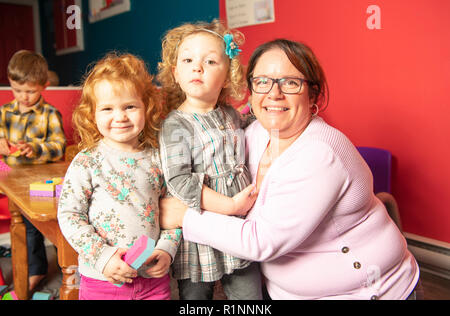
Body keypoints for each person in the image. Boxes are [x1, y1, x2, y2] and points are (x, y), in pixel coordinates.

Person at [160, 39, 421, 300]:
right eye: (263, 81)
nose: (274, 94)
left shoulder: (320, 152)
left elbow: (261, 241)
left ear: (313, 95)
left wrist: (184, 216)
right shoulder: (253, 134)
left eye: (290, 82)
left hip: (365, 292)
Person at [57, 53, 181, 300]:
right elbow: (70, 215)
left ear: (147, 107)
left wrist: (167, 250)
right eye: (107, 108)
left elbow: (174, 213)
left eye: (130, 106)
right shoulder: (87, 161)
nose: (120, 116)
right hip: (102, 278)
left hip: (152, 280)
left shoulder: (159, 159)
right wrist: (103, 257)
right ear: (92, 114)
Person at [156, 20, 261, 300]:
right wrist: (228, 205)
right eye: (188, 60)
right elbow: (178, 180)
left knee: (249, 294)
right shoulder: (176, 125)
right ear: (176, 72)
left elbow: (249, 124)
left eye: (211, 61)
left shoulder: (229, 114)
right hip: (200, 227)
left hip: (239, 224)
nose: (197, 67)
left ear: (228, 76)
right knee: (195, 296)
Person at [0, 50, 66, 291]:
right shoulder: (5, 112)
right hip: (16, 182)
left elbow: (58, 147)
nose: (23, 97)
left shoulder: (50, 114)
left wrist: (36, 148)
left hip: (42, 182)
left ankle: (68, 265)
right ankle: (36, 270)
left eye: (30, 91)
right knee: (28, 231)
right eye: (17, 90)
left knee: (51, 224)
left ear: (44, 86)